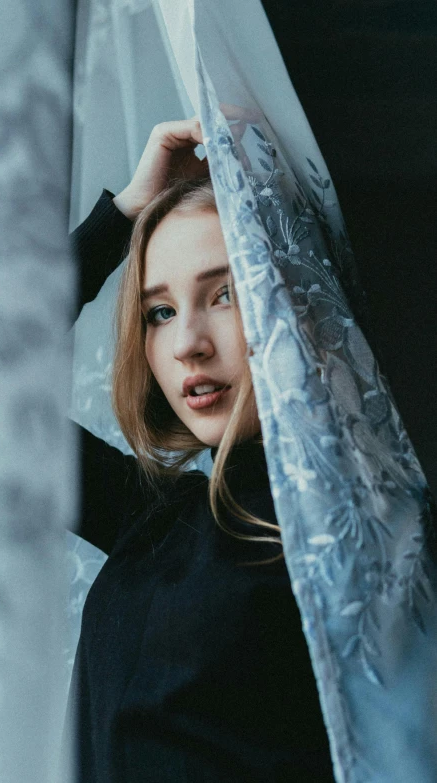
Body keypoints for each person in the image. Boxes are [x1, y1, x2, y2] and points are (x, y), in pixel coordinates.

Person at [67, 118, 335, 782]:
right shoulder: (156, 519)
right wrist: (124, 215)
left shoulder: (362, 536)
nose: (187, 341)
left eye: (224, 295)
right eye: (159, 311)